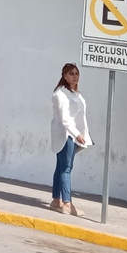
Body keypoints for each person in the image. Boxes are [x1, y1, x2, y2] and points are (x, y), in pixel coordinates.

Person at [50, 62, 90, 217]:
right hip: (66, 134)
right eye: (71, 73)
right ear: (64, 76)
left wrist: (83, 134)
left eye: (76, 73)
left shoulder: (76, 94)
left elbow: (81, 117)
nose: (75, 76)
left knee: (61, 167)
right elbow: (65, 118)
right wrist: (76, 134)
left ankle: (56, 200)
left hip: (74, 134)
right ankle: (67, 204)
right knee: (66, 168)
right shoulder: (60, 94)